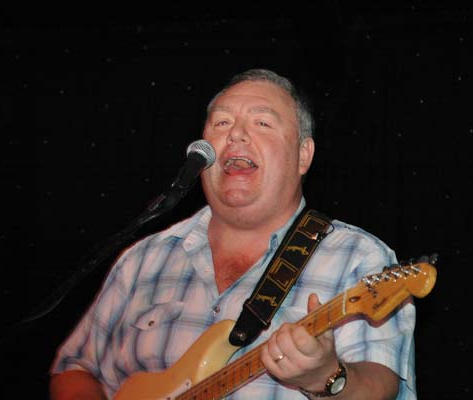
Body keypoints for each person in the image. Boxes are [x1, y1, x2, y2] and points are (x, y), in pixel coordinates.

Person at [49, 69, 416, 399]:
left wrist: (325, 376)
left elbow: (381, 386)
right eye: (221, 123)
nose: (236, 134)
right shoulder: (143, 259)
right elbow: (75, 369)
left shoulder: (357, 257)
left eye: (262, 123)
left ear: (303, 155)